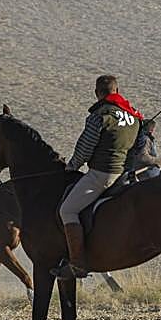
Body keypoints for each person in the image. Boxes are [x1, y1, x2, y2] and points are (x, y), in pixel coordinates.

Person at [55, 75, 143, 279]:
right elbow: (139, 147)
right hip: (125, 174)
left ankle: (77, 264)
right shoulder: (134, 116)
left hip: (102, 174)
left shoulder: (100, 115)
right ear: (117, 90)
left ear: (97, 93)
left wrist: (72, 165)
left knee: (67, 210)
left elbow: (85, 148)